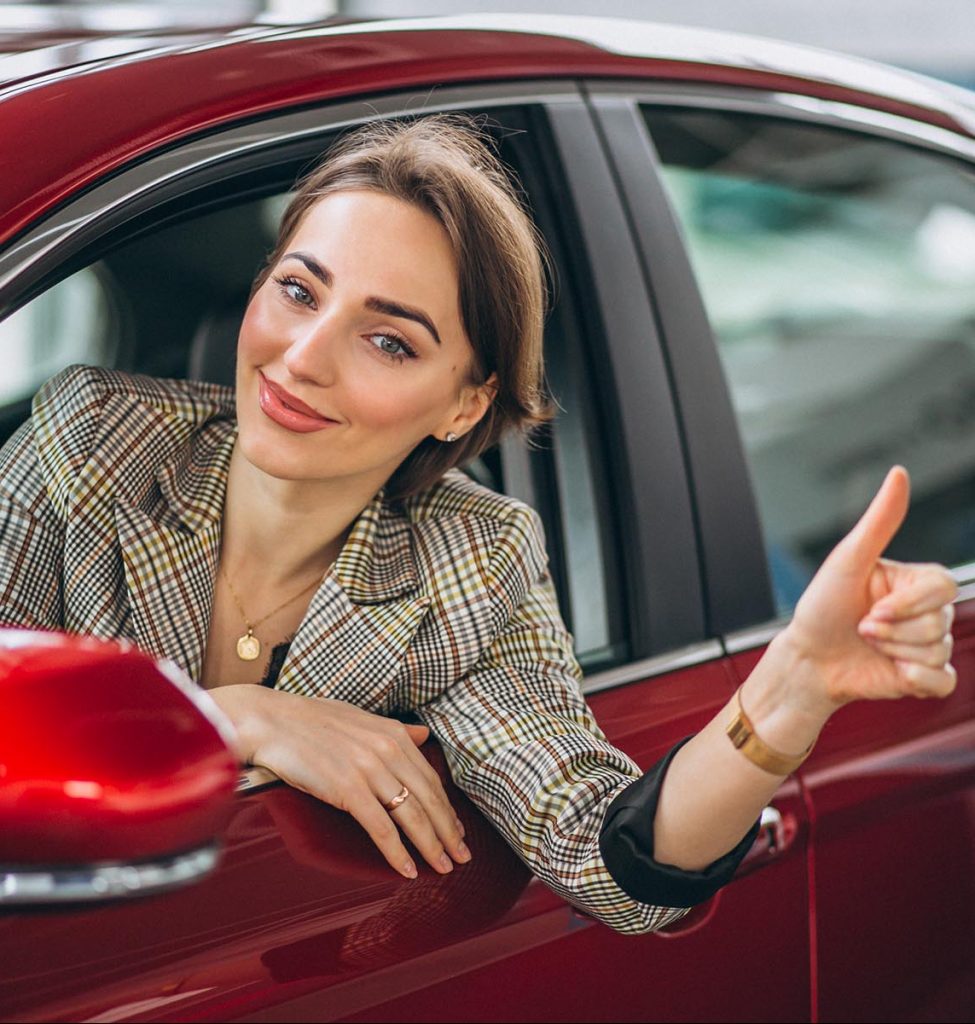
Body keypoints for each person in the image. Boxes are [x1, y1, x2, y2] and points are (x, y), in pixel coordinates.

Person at [0, 116, 957, 935]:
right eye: (298, 289)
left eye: (388, 339)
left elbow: (605, 860)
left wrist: (791, 689)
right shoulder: (95, 441)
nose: (301, 357)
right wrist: (230, 718)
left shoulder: (473, 561)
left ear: (462, 404)